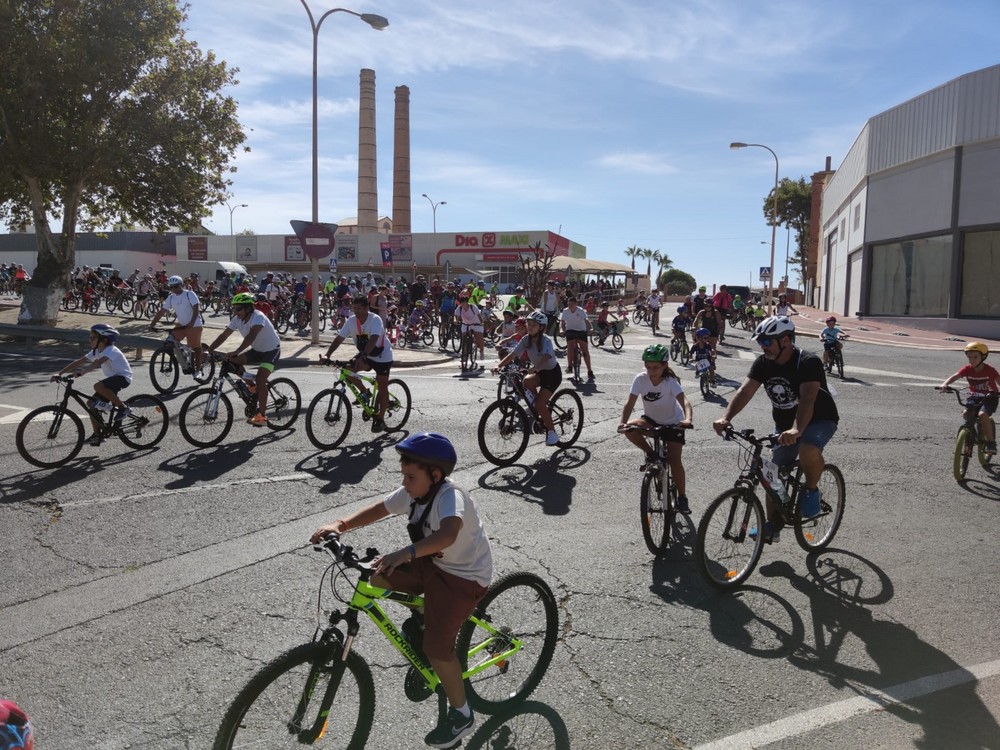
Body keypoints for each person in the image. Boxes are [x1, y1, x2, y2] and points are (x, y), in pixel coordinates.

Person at [309, 433, 491, 748]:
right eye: (403, 474)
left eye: (411, 476)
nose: (404, 482)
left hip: (464, 578)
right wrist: (340, 524)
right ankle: (422, 615)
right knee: (375, 577)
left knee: (436, 649)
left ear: (435, 476)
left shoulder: (451, 496)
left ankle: (462, 715)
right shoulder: (415, 493)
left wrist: (406, 553)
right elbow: (381, 507)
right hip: (433, 565)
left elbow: (448, 534)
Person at [713, 315, 839, 543]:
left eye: (767, 341)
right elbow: (745, 391)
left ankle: (811, 489)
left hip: (819, 419)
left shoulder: (807, 362)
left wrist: (796, 430)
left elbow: (808, 399)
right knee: (771, 473)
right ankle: (773, 524)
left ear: (786, 341)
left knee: (808, 449)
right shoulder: (763, 363)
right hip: (784, 425)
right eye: (761, 342)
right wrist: (726, 417)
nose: (763, 346)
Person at [618, 344, 693, 514]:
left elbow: (685, 401)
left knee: (674, 460)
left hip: (674, 422)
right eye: (648, 366)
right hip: (651, 421)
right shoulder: (640, 379)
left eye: (656, 367)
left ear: (665, 365)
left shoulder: (670, 382)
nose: (651, 371)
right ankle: (651, 454)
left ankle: (682, 497)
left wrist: (688, 419)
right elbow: (629, 403)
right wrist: (622, 422)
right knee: (630, 429)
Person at [206, 293, 282, 426]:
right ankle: (252, 387)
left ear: (248, 308)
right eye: (234, 308)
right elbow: (224, 335)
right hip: (257, 351)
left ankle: (262, 417)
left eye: (239, 309)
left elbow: (251, 336)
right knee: (230, 361)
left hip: (271, 351)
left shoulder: (258, 316)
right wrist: (209, 350)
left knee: (260, 379)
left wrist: (237, 351)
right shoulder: (237, 319)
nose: (235, 312)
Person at [321, 295, 394, 432]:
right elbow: (339, 339)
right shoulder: (351, 321)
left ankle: (380, 419)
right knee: (347, 370)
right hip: (366, 354)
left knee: (382, 386)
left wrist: (364, 355)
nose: (356, 311)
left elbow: (373, 339)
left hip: (382, 355)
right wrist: (327, 354)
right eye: (354, 308)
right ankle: (365, 392)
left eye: (359, 308)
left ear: (367, 308)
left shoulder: (375, 319)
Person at [52, 324, 133, 446]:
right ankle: (98, 435)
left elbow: (98, 363)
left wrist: (82, 372)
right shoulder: (96, 351)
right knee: (91, 404)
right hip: (111, 380)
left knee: (98, 386)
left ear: (104, 339)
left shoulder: (111, 350)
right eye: (90, 337)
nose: (90, 340)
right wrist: (60, 373)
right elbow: (80, 361)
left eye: (93, 337)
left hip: (123, 377)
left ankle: (123, 408)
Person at [493, 310, 561, 446]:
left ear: (541, 328)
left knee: (541, 404)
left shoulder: (545, 340)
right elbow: (513, 355)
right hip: (540, 372)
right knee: (526, 382)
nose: (530, 327)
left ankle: (552, 432)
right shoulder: (526, 339)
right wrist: (499, 366)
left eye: (534, 325)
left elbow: (547, 357)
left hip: (552, 374)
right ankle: (536, 407)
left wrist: (535, 368)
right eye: (529, 324)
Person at [939, 342, 998, 456]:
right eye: (969, 357)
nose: (972, 360)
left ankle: (991, 443)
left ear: (983, 357)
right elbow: (955, 376)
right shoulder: (967, 369)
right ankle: (969, 435)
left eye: (975, 357)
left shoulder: (990, 370)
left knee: (982, 415)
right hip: (974, 396)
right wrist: (945, 384)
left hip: (990, 397)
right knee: (966, 414)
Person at [149, 274, 204, 376]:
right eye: (172, 287)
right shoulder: (171, 297)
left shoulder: (189, 294)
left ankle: (198, 370)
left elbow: (196, 309)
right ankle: (183, 354)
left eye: (176, 286)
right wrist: (152, 325)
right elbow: (162, 311)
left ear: (181, 285)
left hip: (194, 324)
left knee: (195, 347)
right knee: (170, 341)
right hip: (182, 325)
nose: (174, 289)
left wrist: (192, 322)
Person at [559, 295, 594, 381]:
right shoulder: (565, 311)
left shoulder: (580, 310)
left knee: (585, 351)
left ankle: (589, 370)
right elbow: (562, 322)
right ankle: (570, 366)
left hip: (581, 331)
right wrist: (561, 329)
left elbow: (586, 319)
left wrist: (591, 328)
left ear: (576, 304)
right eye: (568, 303)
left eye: (571, 303)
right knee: (570, 348)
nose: (569, 305)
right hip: (570, 330)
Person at [455, 293, 486, 368]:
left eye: (465, 301)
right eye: (462, 302)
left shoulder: (473, 307)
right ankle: (464, 356)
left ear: (467, 302)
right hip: (466, 324)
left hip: (476, 324)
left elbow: (479, 316)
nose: (463, 303)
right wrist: (456, 321)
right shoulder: (459, 308)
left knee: (479, 339)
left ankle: (481, 351)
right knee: (464, 340)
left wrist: (481, 323)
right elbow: (456, 316)